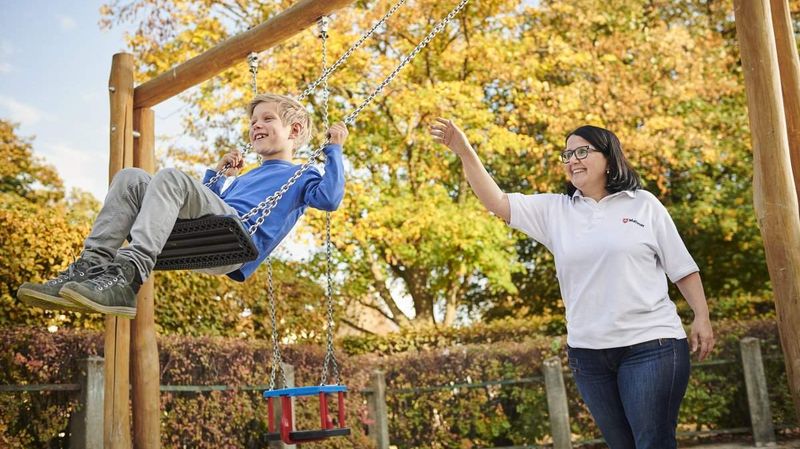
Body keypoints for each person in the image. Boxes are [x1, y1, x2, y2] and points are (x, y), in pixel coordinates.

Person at [430, 118, 714, 449]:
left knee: (651, 442)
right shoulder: (556, 211)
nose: (572, 160)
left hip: (652, 345)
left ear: (609, 157)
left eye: (582, 151)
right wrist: (464, 150)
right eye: (567, 155)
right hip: (589, 355)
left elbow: (681, 267)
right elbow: (497, 201)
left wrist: (702, 316)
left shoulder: (643, 204)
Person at [17, 93, 347, 319]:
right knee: (131, 177)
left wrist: (334, 149)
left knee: (171, 177)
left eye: (267, 118)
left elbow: (330, 198)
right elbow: (200, 209)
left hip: (236, 242)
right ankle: (92, 264)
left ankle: (130, 275)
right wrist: (217, 177)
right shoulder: (246, 176)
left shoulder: (301, 175)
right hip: (209, 234)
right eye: (253, 121)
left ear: (295, 130)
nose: (256, 125)